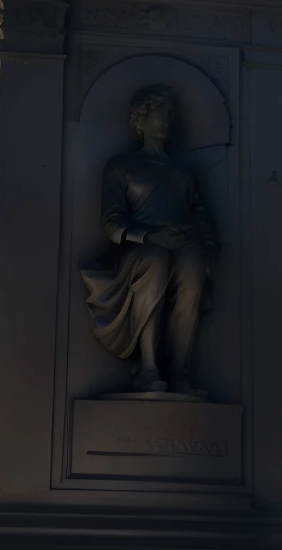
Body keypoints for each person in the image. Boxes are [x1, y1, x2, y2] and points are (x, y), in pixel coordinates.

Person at [83, 86, 217, 394]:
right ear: (140, 121)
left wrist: (208, 246)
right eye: (158, 113)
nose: (166, 120)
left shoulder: (183, 170)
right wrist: (148, 235)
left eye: (169, 113)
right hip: (142, 247)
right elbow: (112, 221)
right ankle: (148, 367)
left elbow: (199, 213)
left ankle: (180, 369)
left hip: (184, 241)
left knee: (193, 270)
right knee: (155, 263)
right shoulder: (121, 166)